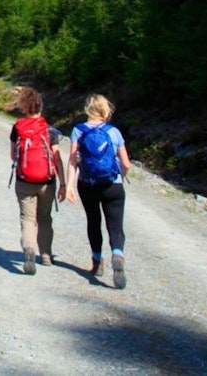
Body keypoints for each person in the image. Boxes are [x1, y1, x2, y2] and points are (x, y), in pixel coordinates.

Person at [65, 94, 133, 288]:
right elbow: (126, 163)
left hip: (88, 184)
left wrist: (69, 186)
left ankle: (97, 261)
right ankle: (118, 254)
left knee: (93, 221)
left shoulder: (78, 130)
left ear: (88, 109)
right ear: (105, 109)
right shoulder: (114, 132)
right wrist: (120, 174)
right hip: (113, 185)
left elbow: (72, 161)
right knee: (115, 224)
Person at [9, 87, 65, 274]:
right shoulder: (49, 130)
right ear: (41, 107)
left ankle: (29, 250)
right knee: (44, 218)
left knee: (27, 218)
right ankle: (47, 256)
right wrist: (63, 184)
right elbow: (56, 159)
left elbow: (12, 156)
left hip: (24, 180)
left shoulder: (17, 128)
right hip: (47, 181)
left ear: (24, 108)